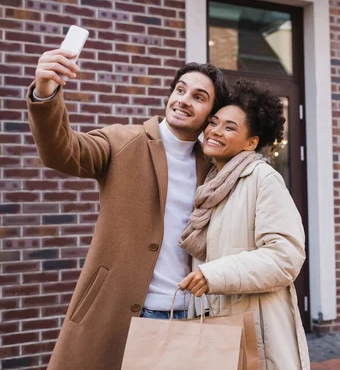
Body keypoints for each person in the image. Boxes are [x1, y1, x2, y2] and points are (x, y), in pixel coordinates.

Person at [27, 48, 228, 369]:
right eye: (180, 90)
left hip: (192, 314)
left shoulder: (215, 166)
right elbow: (62, 151)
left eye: (198, 96)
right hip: (124, 313)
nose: (183, 100)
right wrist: (44, 92)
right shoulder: (124, 140)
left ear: (211, 115)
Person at [178, 80, 310, 369]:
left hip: (258, 335)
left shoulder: (263, 179)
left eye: (229, 127)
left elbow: (285, 256)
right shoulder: (210, 183)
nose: (215, 131)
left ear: (251, 142)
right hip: (215, 330)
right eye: (214, 123)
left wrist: (214, 274)